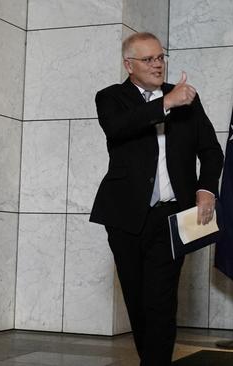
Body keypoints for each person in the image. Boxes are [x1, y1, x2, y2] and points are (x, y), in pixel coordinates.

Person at [90, 32, 223, 366]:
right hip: (125, 217)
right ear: (129, 65)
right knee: (136, 299)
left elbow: (210, 150)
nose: (157, 64)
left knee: (161, 301)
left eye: (161, 57)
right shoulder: (111, 97)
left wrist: (206, 189)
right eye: (148, 59)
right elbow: (118, 128)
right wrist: (165, 103)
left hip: (173, 216)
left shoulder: (188, 99)